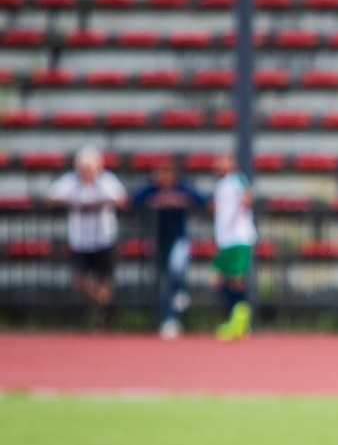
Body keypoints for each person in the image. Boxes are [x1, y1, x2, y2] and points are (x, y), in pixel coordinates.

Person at [45, 145, 128, 327]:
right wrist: (74, 200)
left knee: (104, 279)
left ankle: (102, 319)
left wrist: (98, 201)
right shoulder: (71, 182)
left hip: (104, 237)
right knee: (80, 281)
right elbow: (50, 197)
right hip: (80, 239)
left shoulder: (106, 181)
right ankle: (106, 306)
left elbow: (121, 199)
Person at [131, 160, 207, 339]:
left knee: (178, 267)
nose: (162, 177)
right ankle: (168, 319)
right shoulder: (152, 188)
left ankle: (181, 291)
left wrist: (178, 200)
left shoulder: (182, 186)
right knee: (162, 280)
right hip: (158, 240)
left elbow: (201, 199)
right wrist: (155, 200)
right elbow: (134, 200)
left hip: (178, 237)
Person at [211, 152, 255, 341]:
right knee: (221, 279)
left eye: (222, 160)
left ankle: (239, 322)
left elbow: (247, 196)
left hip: (238, 237)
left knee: (236, 279)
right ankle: (235, 320)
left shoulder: (236, 179)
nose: (218, 164)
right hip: (225, 238)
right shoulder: (221, 184)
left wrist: (239, 212)